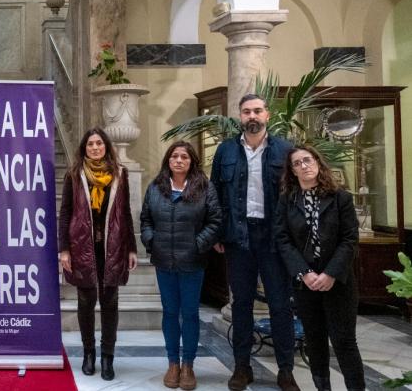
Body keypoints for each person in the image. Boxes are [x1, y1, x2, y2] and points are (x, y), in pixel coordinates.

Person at [210, 94, 299, 391]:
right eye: (247, 111)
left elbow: (295, 198)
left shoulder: (285, 150)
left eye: (257, 111)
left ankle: (286, 370)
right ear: (240, 116)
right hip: (238, 237)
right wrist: (219, 234)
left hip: (274, 239)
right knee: (242, 304)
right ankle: (241, 367)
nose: (252, 116)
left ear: (267, 115)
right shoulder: (225, 151)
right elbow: (216, 197)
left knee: (280, 305)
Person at [275, 145, 365, 391]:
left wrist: (330, 273)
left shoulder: (340, 198)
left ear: (317, 161)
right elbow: (282, 239)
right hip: (306, 282)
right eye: (297, 163)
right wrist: (304, 273)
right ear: (292, 171)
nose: (304, 166)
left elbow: (349, 239)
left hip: (338, 281)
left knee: (344, 341)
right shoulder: (287, 201)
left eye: (308, 160)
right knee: (314, 341)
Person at [58, 126, 138, 381]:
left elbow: (125, 212)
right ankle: (89, 353)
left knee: (110, 303)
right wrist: (64, 249)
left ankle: (107, 357)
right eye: (90, 144)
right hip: (82, 248)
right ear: (84, 147)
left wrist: (132, 248)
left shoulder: (119, 173)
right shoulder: (74, 174)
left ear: (106, 147)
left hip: (113, 248)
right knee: (85, 302)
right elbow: (65, 213)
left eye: (99, 143)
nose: (95, 147)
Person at [141, 141, 222, 390]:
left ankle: (188, 365)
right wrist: (152, 241)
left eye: (184, 157)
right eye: (174, 156)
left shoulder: (205, 187)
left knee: (189, 313)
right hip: (164, 260)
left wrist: (198, 244)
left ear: (191, 161)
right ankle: (172, 363)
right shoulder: (156, 187)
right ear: (168, 160)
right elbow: (145, 219)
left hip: (192, 261)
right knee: (169, 312)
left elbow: (215, 220)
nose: (178, 160)